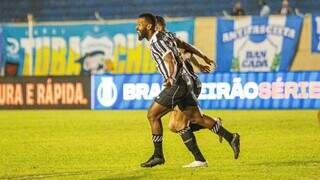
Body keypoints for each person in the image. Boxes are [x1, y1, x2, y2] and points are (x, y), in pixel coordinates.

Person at [136, 13, 240, 168]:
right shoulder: (167, 36)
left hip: (177, 84)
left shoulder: (157, 42)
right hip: (185, 83)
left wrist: (171, 77)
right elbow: (185, 46)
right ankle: (230, 137)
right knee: (196, 119)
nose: (137, 27)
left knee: (153, 115)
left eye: (139, 25)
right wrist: (203, 56)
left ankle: (158, 155)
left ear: (149, 26)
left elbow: (170, 58)